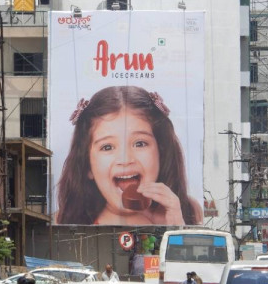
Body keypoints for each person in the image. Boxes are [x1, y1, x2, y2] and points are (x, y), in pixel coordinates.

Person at [56, 86, 203, 225]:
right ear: (87, 166)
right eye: (107, 147)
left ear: (161, 153)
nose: (125, 160)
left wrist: (176, 227)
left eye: (140, 144)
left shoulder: (187, 210)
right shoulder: (63, 220)